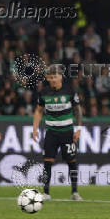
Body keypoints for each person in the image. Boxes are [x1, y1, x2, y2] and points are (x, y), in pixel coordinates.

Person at [33, 65, 83, 201]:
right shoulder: (44, 92)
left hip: (68, 132)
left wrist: (79, 129)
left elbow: (77, 110)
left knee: (71, 162)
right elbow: (38, 110)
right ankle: (46, 193)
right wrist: (35, 129)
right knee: (47, 162)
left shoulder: (69, 90)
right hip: (51, 132)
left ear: (61, 77)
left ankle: (74, 192)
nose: (53, 79)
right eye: (51, 77)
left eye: (56, 77)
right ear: (48, 79)